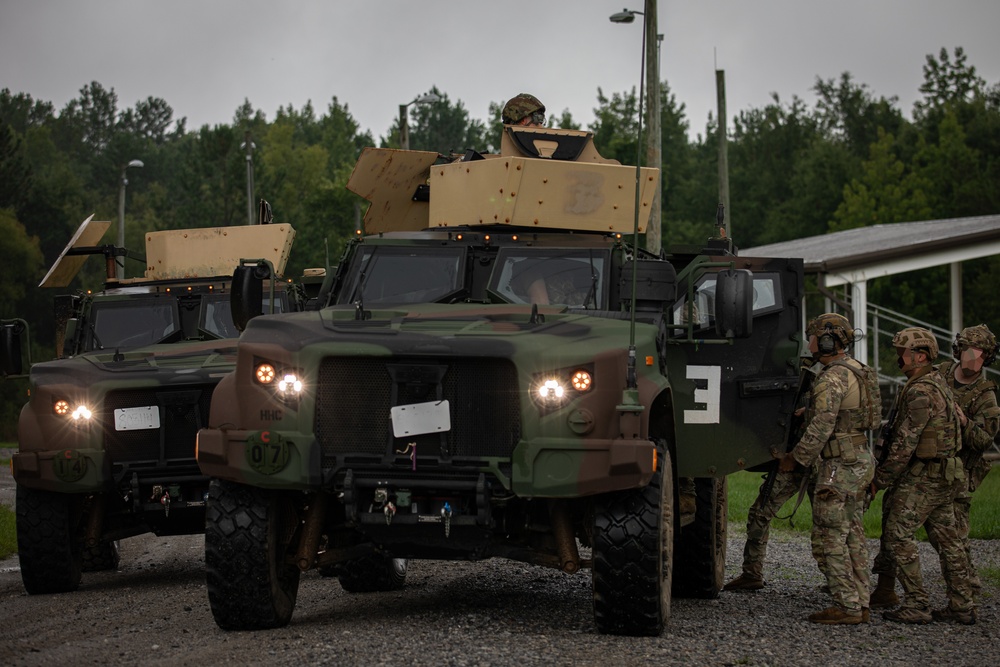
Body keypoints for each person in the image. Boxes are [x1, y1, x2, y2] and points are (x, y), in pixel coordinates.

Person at [774, 313, 880, 624]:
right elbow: (854, 413)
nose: (809, 343)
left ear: (829, 340)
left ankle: (846, 606)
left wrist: (795, 458)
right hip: (860, 458)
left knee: (830, 534)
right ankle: (861, 602)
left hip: (839, 464)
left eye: (814, 337)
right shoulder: (860, 370)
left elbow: (822, 427)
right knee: (855, 534)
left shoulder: (831, 377)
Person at [873, 326, 975, 624]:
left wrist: (880, 480)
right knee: (947, 539)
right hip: (946, 474)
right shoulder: (937, 382)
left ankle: (917, 603)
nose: (898, 360)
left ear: (920, 356)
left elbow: (905, 443)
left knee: (897, 533)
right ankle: (962, 605)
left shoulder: (920, 390)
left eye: (901, 354)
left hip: (927, 476)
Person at [723, 358, 821, 593]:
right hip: (793, 459)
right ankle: (751, 573)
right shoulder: (800, 374)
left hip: (816, 462)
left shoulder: (834, 378)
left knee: (829, 525)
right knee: (760, 513)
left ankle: (842, 581)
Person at [939, 324, 999, 614]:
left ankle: (967, 588)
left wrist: (963, 421)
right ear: (958, 350)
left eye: (979, 353)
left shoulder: (986, 395)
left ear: (987, 357)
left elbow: (984, 439)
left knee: (956, 534)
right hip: (927, 465)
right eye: (968, 350)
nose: (972, 357)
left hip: (959, 471)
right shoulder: (941, 373)